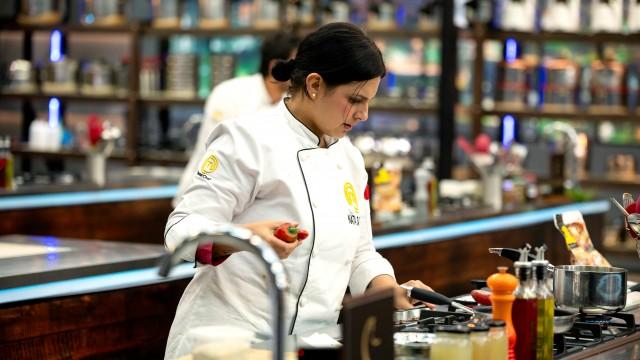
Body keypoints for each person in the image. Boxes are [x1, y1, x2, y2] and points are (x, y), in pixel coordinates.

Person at [164, 22, 433, 359]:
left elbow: (360, 252)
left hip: (309, 345)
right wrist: (244, 236)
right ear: (315, 84)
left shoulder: (348, 158)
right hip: (228, 342)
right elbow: (179, 232)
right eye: (355, 100)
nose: (363, 114)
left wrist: (389, 290)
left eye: (368, 102)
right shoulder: (247, 139)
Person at [172, 31, 300, 207]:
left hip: (253, 205)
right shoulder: (230, 94)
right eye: (298, 65)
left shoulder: (293, 105)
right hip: (207, 196)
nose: (304, 73)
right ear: (275, 67)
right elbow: (213, 154)